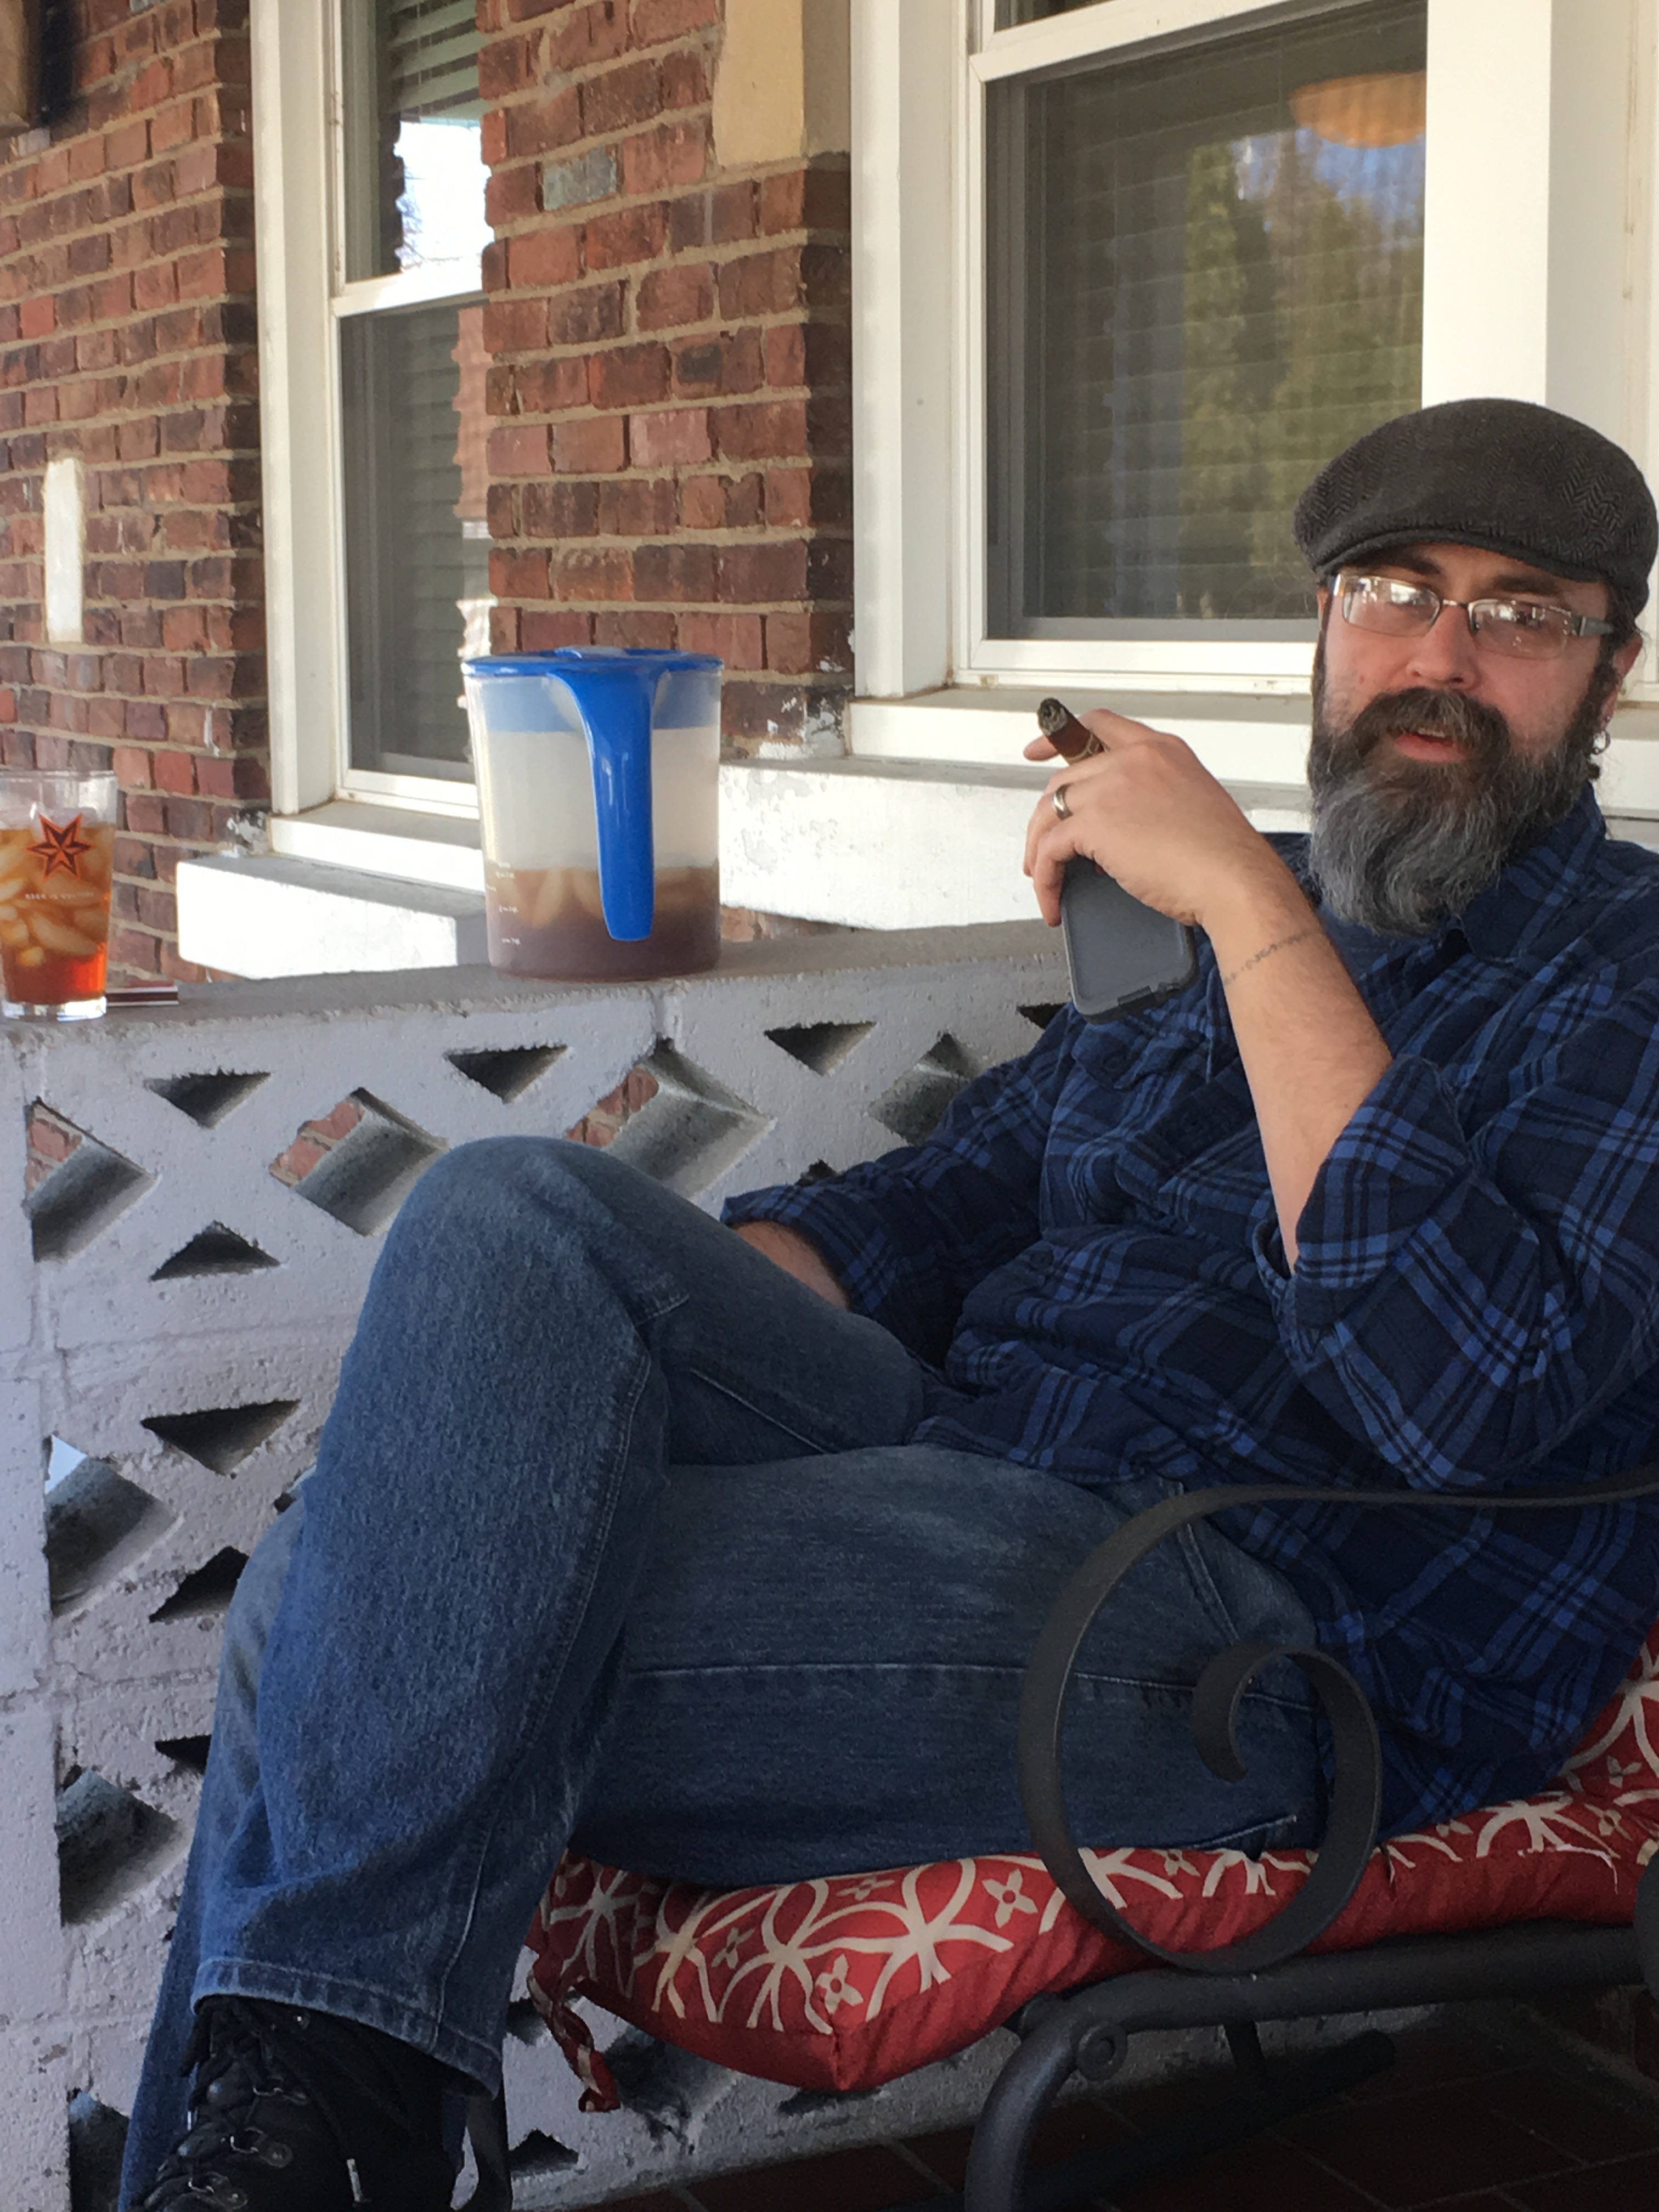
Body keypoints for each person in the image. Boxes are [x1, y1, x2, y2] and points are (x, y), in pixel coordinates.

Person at [125, 397, 1659, 2210]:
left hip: (1256, 1622)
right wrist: (581, 1381)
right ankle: (322, 2147)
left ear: (1609, 678)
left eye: (1525, 613)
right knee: (512, 1210)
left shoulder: (1612, 972)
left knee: (330, 1609)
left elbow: (1454, 1398)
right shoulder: (1207, 952)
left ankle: (275, 2172)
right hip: (962, 1469)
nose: (1444, 656)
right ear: (1323, 633)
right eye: (1395, 590)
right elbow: (933, 1207)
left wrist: (1251, 906)